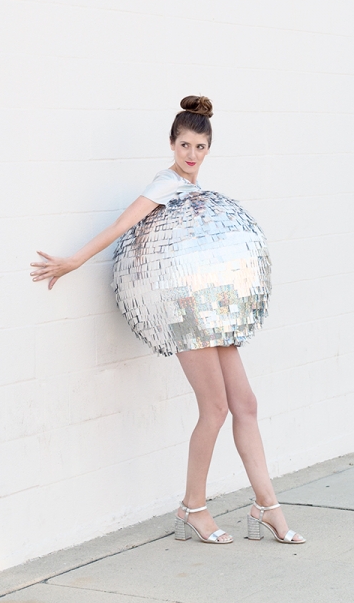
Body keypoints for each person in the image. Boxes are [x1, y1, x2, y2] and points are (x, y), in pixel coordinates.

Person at [30, 96, 305, 545]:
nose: (191, 155)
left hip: (214, 308)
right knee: (214, 409)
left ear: (208, 149)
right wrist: (73, 262)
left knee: (246, 405)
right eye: (184, 145)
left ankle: (267, 505)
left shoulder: (196, 190)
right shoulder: (165, 183)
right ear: (172, 145)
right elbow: (121, 225)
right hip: (183, 314)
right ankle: (193, 507)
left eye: (199, 147)